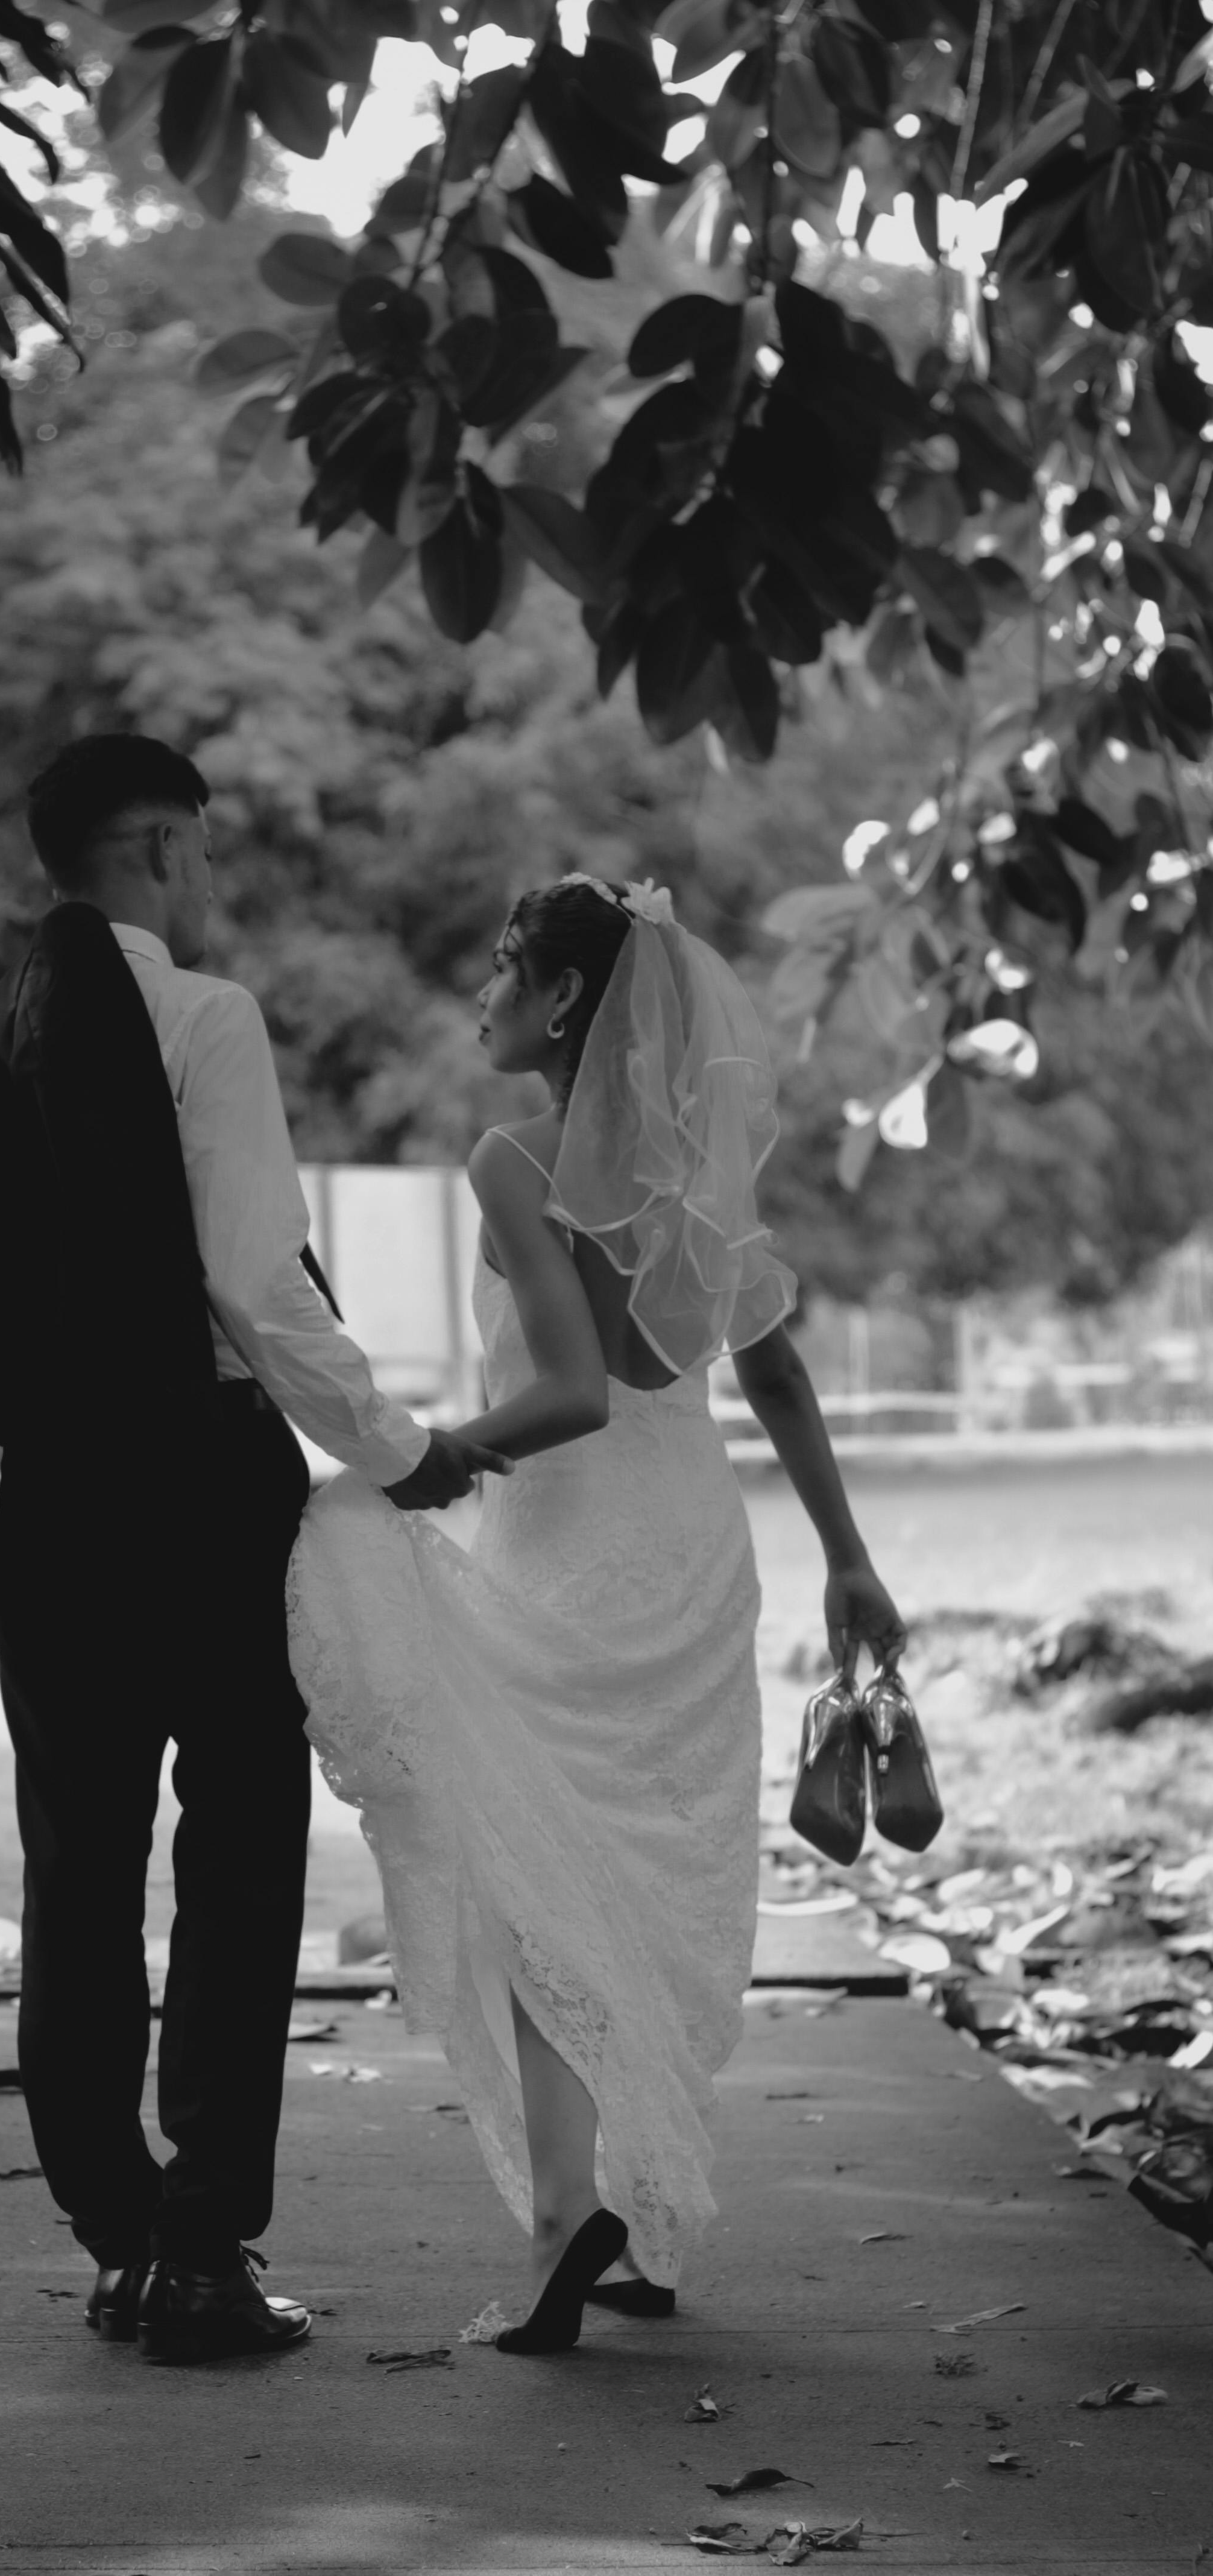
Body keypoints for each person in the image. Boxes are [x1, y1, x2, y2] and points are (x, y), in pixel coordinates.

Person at [0, 734, 506, 2367]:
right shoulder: (203, 1017)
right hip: (202, 1482)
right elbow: (258, 1280)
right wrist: (399, 1451)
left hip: (56, 1508)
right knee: (241, 1862)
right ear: (164, 845)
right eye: (200, 850)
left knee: (80, 1872)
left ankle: (116, 2233)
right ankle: (205, 2248)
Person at [286, 872, 906, 2353]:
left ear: (567, 998)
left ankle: (575, 2217)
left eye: (508, 964)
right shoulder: (696, 1169)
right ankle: (634, 2213)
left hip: (567, 1547)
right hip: (691, 1548)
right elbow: (773, 1377)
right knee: (637, 1881)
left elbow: (570, 1394)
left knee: (526, 1880)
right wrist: (848, 1557)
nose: (485, 988)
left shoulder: (518, 1160)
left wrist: (426, 1460)